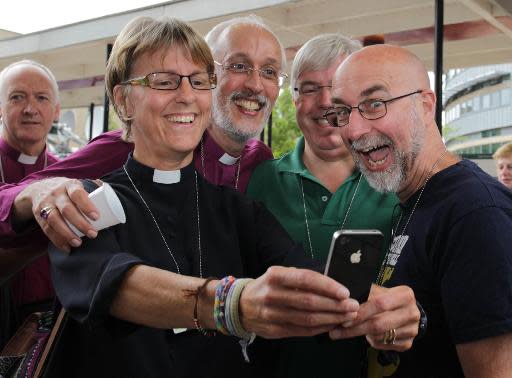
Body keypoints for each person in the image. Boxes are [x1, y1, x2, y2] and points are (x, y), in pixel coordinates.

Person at [45, 16, 360, 377]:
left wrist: (376, 302)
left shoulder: (238, 209)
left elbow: (307, 273)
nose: (186, 96)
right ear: (122, 99)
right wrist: (232, 303)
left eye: (199, 81)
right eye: (164, 82)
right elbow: (115, 285)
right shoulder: (83, 202)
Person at [0, 14, 285, 254]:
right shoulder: (129, 147)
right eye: (238, 66)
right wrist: (36, 191)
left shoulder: (260, 160)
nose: (256, 85)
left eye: (270, 71)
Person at [328, 44, 512, 377]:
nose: (353, 131)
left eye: (375, 104)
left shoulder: (476, 213)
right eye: (342, 112)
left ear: (425, 106)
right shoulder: (415, 199)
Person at [247, 34, 415, 378]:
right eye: (309, 89)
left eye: (336, 87)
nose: (325, 101)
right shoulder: (260, 180)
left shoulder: (399, 179)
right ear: (293, 100)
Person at [0, 60, 60, 347]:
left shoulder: (69, 172)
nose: (30, 108)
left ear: (56, 110)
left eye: (41, 98)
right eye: (17, 97)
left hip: (51, 319)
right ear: (0, 107)